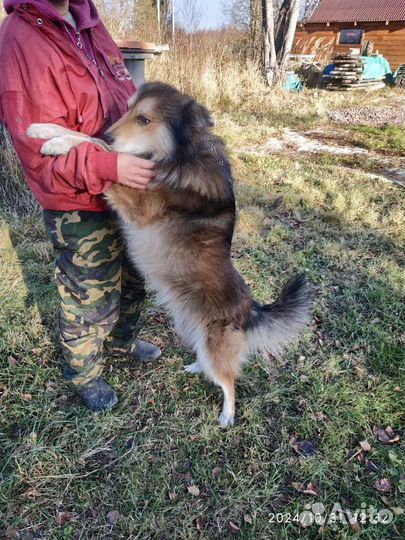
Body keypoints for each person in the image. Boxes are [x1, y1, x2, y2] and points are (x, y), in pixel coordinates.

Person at [0, 0, 161, 411]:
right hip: (77, 198)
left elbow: (124, 94)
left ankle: (124, 342)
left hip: (126, 182)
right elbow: (38, 149)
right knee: (90, 294)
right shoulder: (22, 38)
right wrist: (111, 164)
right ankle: (85, 373)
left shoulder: (88, 19)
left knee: (135, 275)